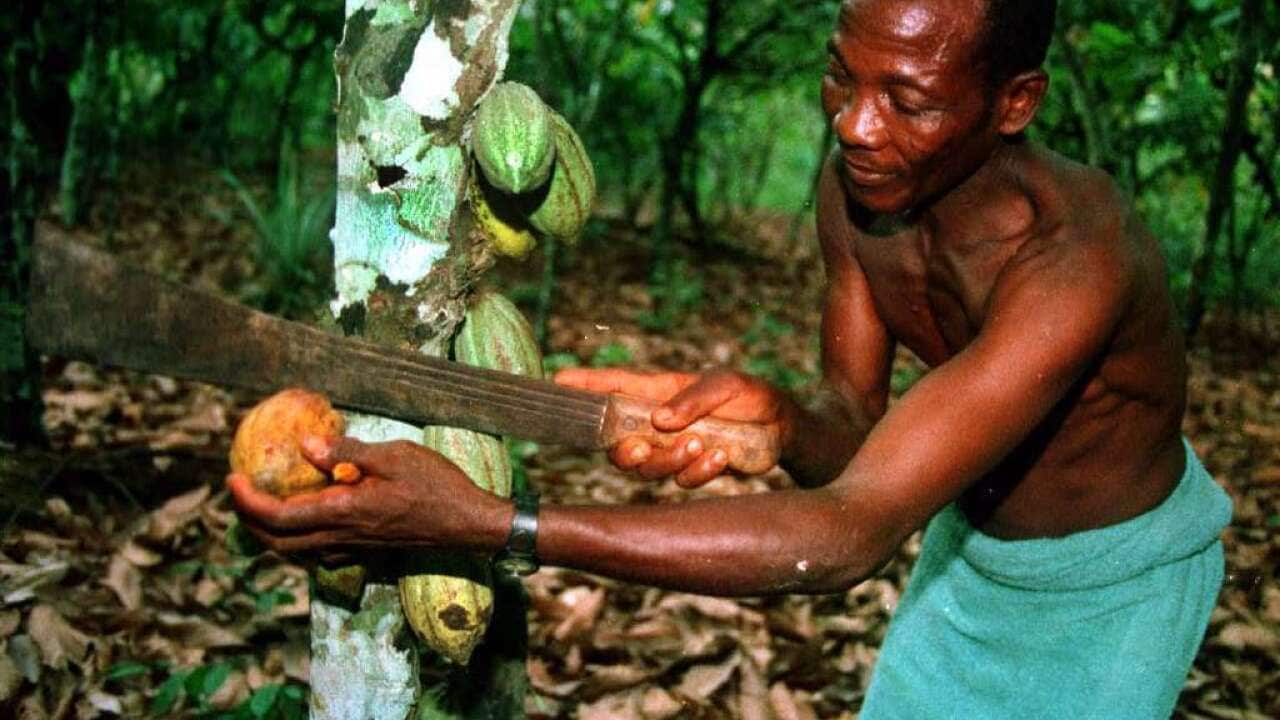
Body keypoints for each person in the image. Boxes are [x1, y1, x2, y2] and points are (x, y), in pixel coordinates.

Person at [230, 0, 1233, 716]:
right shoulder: (860, 194)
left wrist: (494, 523)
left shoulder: (1073, 263)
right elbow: (851, 431)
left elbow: (842, 537)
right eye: (842, 73)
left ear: (1013, 103)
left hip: (1113, 584)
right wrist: (777, 422)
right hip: (966, 546)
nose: (854, 124)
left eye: (908, 99)